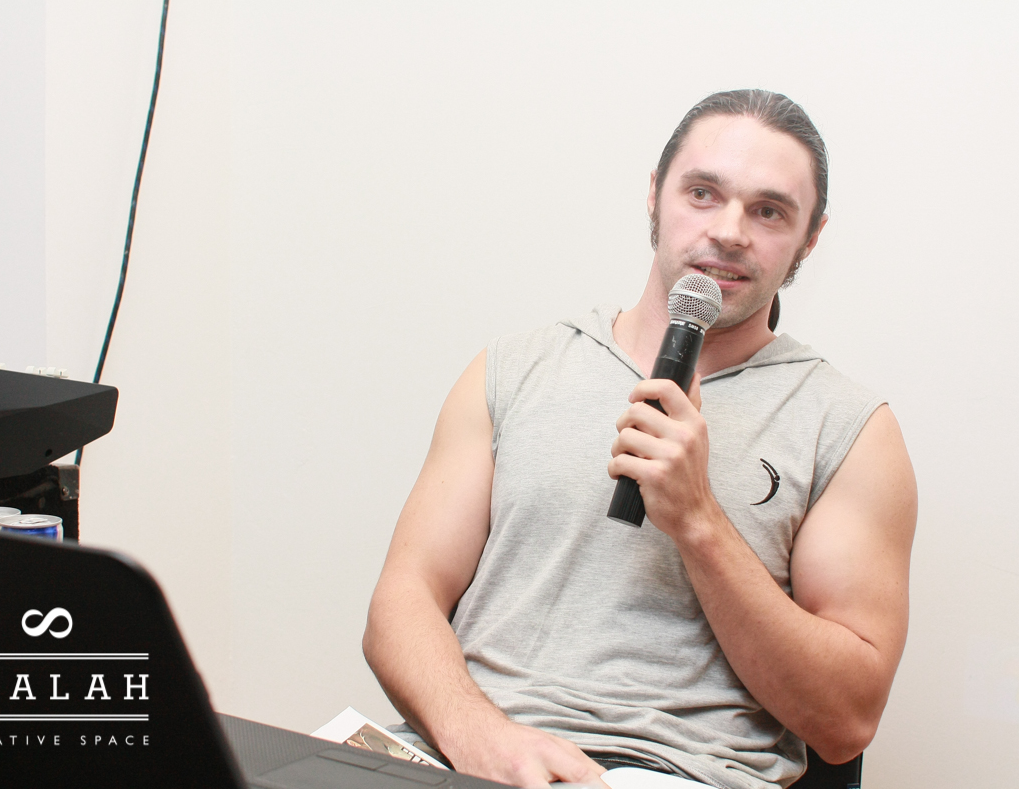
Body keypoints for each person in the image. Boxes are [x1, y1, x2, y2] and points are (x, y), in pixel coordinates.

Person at [363, 90, 917, 789]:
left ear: (811, 238)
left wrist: (698, 520)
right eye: (703, 193)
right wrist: (479, 737)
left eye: (769, 211)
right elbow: (403, 599)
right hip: (469, 752)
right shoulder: (514, 368)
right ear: (655, 195)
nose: (729, 232)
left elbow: (846, 721)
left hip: (670, 770)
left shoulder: (850, 427)